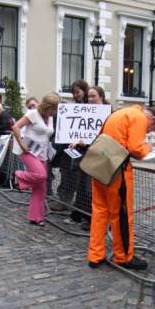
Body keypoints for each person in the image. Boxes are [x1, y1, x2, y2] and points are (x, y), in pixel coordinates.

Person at [88, 105, 155, 270]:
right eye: (152, 129)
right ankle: (123, 257)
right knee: (120, 213)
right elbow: (137, 149)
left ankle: (95, 254)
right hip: (117, 168)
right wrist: (152, 148)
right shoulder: (138, 117)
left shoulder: (119, 113)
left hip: (100, 165)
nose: (148, 132)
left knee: (99, 211)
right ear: (152, 119)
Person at [12, 94, 60, 226]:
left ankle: (36, 217)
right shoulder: (33, 114)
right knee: (41, 176)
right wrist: (21, 144)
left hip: (43, 153)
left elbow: (48, 133)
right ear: (48, 106)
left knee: (40, 188)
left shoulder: (49, 118)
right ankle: (17, 175)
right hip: (29, 151)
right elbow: (16, 127)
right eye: (54, 109)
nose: (55, 112)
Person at [66, 86, 109, 230]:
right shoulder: (85, 111)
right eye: (89, 96)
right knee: (84, 187)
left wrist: (89, 141)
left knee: (93, 189)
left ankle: (96, 219)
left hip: (100, 157)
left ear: (101, 97)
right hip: (86, 154)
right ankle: (85, 216)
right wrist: (76, 140)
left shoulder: (108, 113)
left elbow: (107, 136)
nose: (90, 99)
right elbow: (80, 131)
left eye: (93, 96)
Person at [50, 79, 89, 211]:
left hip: (84, 149)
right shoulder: (71, 108)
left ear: (84, 90)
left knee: (79, 177)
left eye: (78, 92)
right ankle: (64, 200)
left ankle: (77, 204)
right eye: (74, 93)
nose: (76, 95)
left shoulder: (91, 108)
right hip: (69, 148)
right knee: (67, 174)